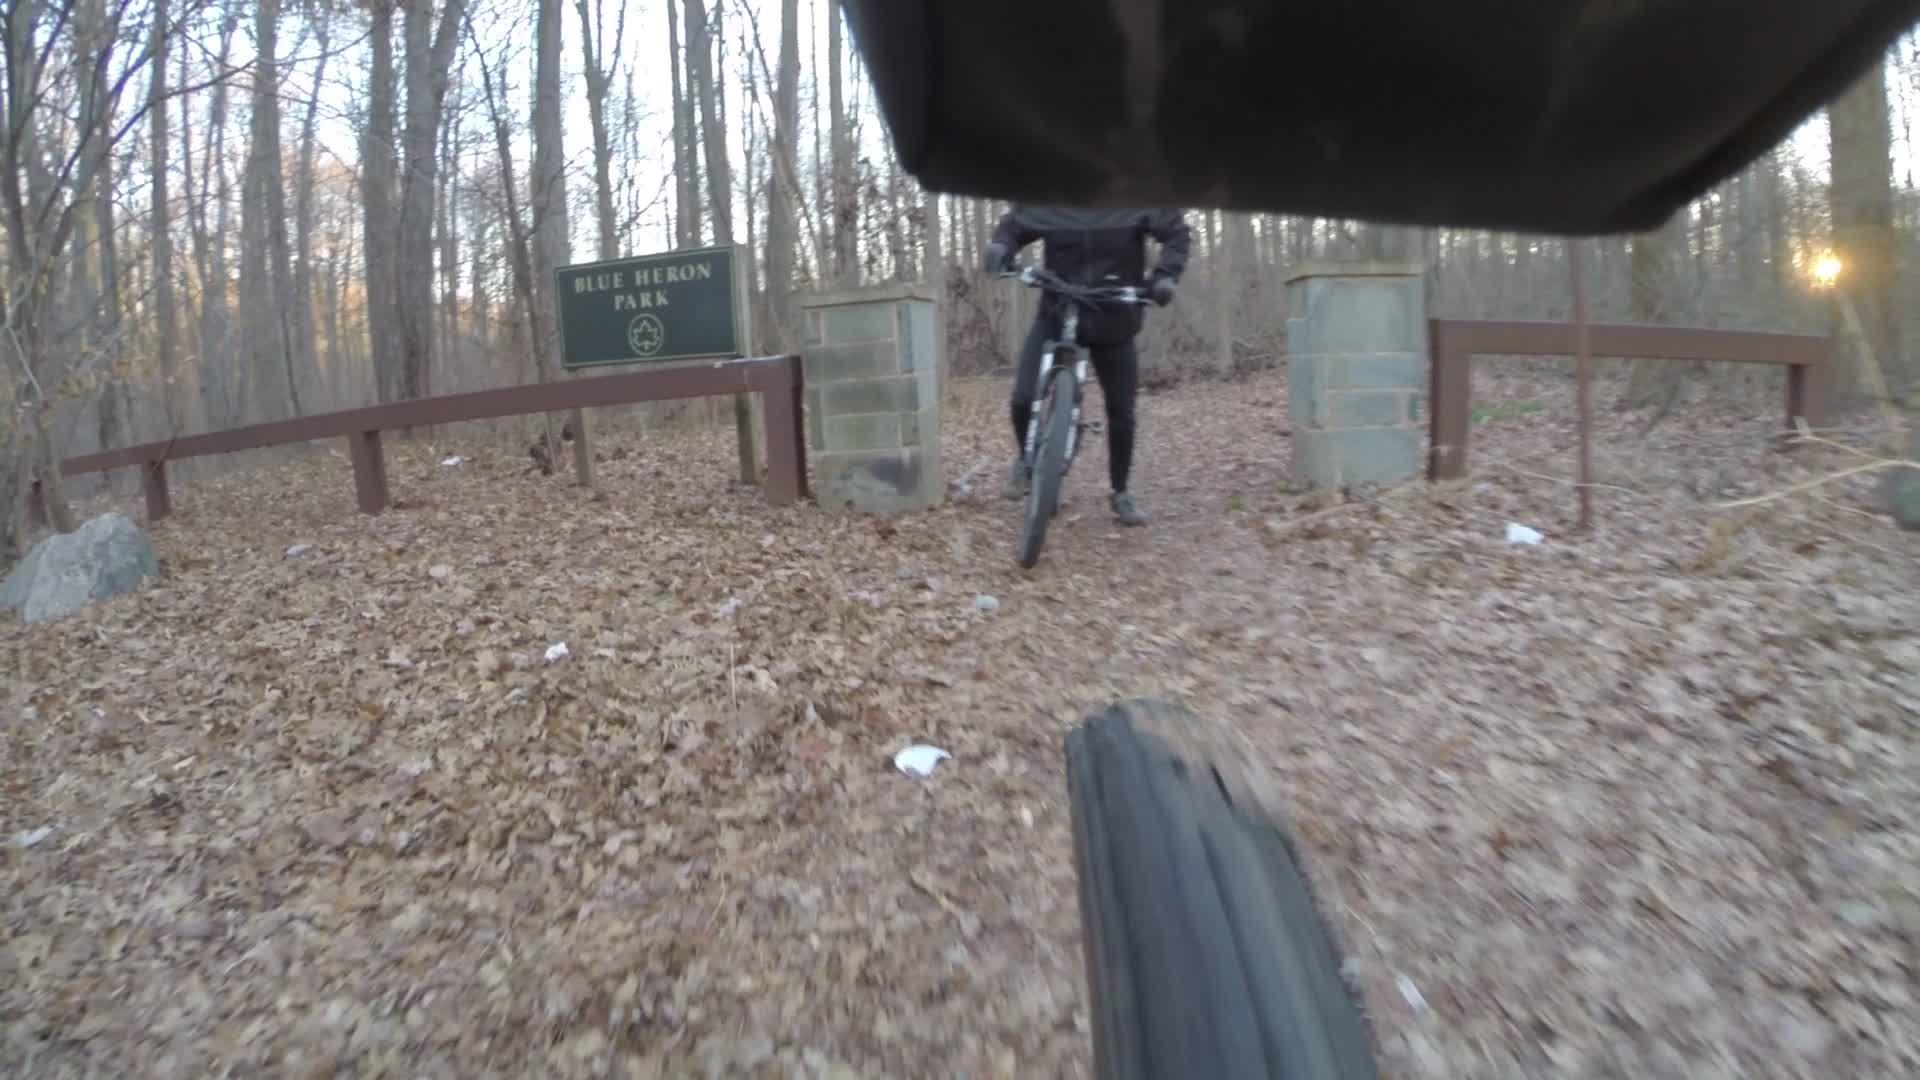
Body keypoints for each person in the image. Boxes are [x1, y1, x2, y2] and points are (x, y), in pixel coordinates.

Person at [984, 206, 1190, 526]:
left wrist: (1165, 276)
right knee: (1023, 397)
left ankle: (1120, 491)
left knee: (1122, 413)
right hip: (1057, 311)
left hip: (1114, 319)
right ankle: (1026, 461)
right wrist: (1001, 247)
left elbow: (1176, 232)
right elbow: (1015, 225)